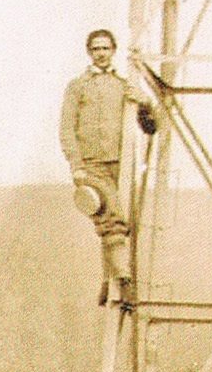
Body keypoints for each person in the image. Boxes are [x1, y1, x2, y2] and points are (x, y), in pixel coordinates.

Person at [59, 28, 157, 307]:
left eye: (105, 48)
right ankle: (124, 282)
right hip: (92, 166)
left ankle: (107, 282)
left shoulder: (125, 86)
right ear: (89, 52)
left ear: (113, 50)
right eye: (95, 49)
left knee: (115, 224)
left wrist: (145, 102)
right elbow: (67, 128)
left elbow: (151, 127)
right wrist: (76, 167)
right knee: (111, 220)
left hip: (122, 164)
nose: (101, 54)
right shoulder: (77, 86)